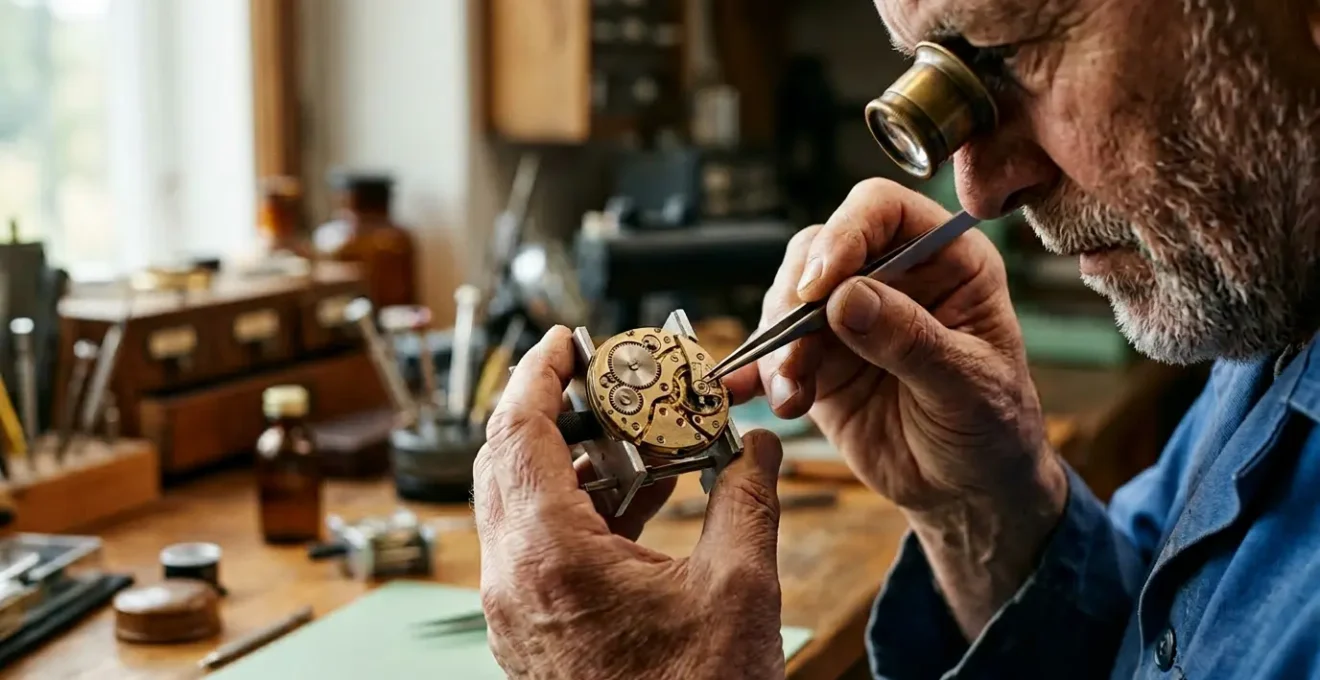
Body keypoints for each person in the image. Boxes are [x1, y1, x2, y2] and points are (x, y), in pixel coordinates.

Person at [472, 0, 1320, 676]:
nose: (980, 194)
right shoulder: (1281, 302)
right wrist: (982, 513)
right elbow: (1166, 637)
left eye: (1010, 50)